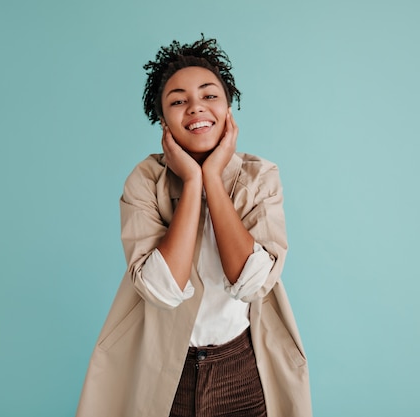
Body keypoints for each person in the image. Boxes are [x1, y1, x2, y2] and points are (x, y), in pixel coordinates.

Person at [76, 36, 311, 417]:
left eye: (209, 95)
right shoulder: (144, 181)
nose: (195, 108)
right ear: (163, 121)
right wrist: (192, 182)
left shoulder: (261, 177)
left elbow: (251, 283)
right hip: (164, 368)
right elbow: (161, 289)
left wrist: (213, 177)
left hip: (243, 367)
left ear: (228, 108)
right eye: (178, 101)